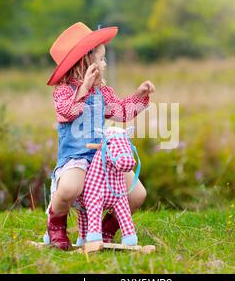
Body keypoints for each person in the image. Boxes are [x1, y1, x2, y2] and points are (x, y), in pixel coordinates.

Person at [45, 22, 155, 250]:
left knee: (137, 194)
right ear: (86, 61)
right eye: (102, 58)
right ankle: (56, 225)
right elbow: (66, 113)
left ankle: (105, 230)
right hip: (76, 158)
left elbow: (122, 113)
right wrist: (83, 89)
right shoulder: (63, 91)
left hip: (102, 157)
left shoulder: (102, 92)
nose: (104, 63)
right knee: (69, 189)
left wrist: (139, 95)